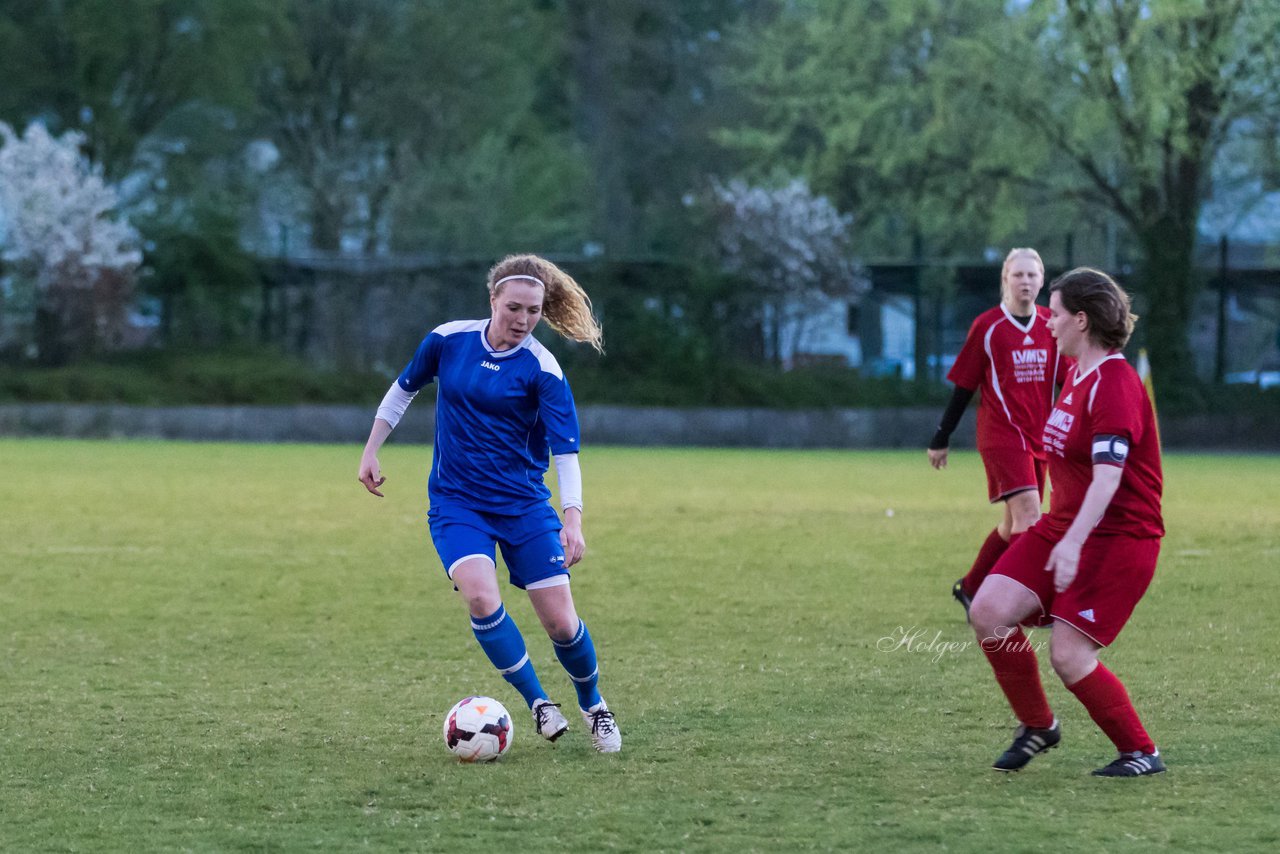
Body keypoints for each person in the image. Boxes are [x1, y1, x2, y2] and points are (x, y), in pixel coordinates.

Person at [357, 253, 621, 753]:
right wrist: (371, 449)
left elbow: (566, 453)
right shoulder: (448, 340)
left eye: (534, 311)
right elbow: (402, 390)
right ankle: (540, 702)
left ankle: (593, 705)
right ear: (493, 301)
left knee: (562, 623)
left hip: (523, 506)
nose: (523, 321)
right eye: (514, 308)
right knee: (480, 597)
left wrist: (573, 520)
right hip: (457, 503)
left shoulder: (543, 369)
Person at [968, 267, 1165, 776]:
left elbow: (1107, 480)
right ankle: (1038, 725)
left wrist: (1074, 542)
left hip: (1118, 538)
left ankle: (1141, 751)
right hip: (1064, 527)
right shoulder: (1075, 373)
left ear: (1081, 320)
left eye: (1054, 314)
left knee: (1069, 655)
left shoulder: (1116, 383)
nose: (1046, 323)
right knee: (988, 611)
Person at [928, 248, 1066, 617]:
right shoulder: (987, 326)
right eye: (1018, 275)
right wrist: (942, 436)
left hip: (1041, 438)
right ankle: (1032, 604)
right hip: (1002, 437)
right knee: (1030, 519)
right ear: (1005, 280)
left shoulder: (1052, 324)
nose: (1025, 282)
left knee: (1011, 525)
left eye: (1032, 276)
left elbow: (1069, 382)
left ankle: (971, 588)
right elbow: (964, 387)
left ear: (1042, 281)